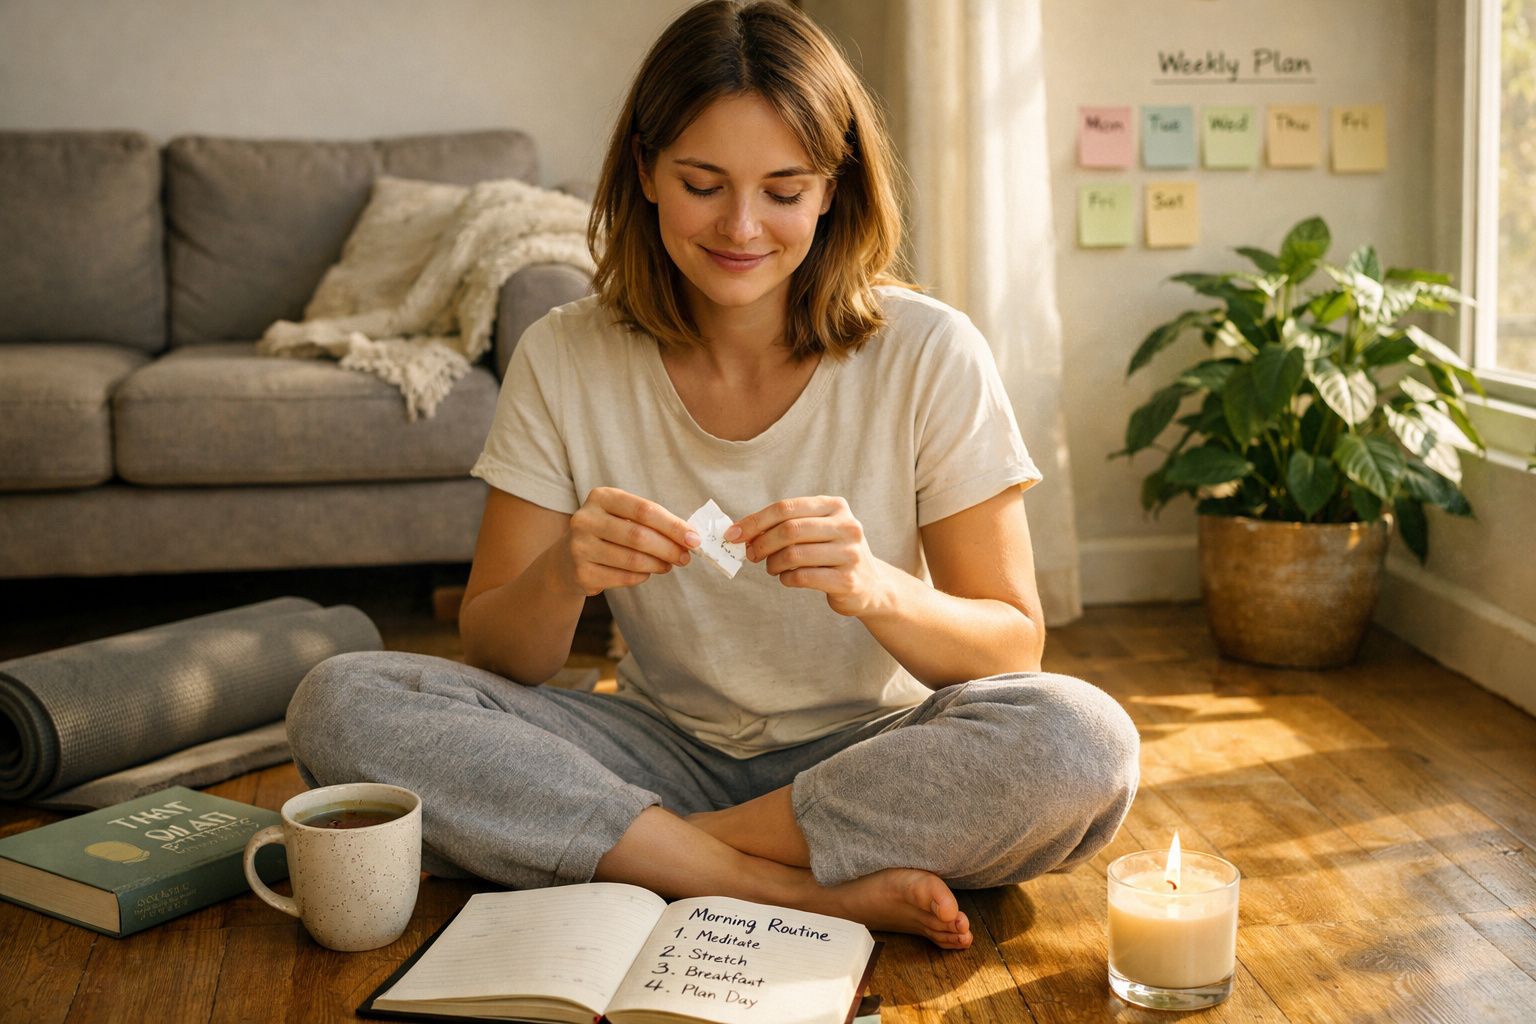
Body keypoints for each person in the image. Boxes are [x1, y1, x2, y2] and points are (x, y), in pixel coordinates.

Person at [287, 0, 1138, 951]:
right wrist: (566, 572)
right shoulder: (565, 354)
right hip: (654, 749)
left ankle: (653, 854)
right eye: (703, 183)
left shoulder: (930, 351)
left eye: (784, 190)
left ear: (832, 189)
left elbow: (1012, 649)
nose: (742, 226)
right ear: (646, 171)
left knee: (1082, 738)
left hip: (872, 757)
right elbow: (500, 655)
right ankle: (778, 886)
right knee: (342, 699)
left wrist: (876, 589)